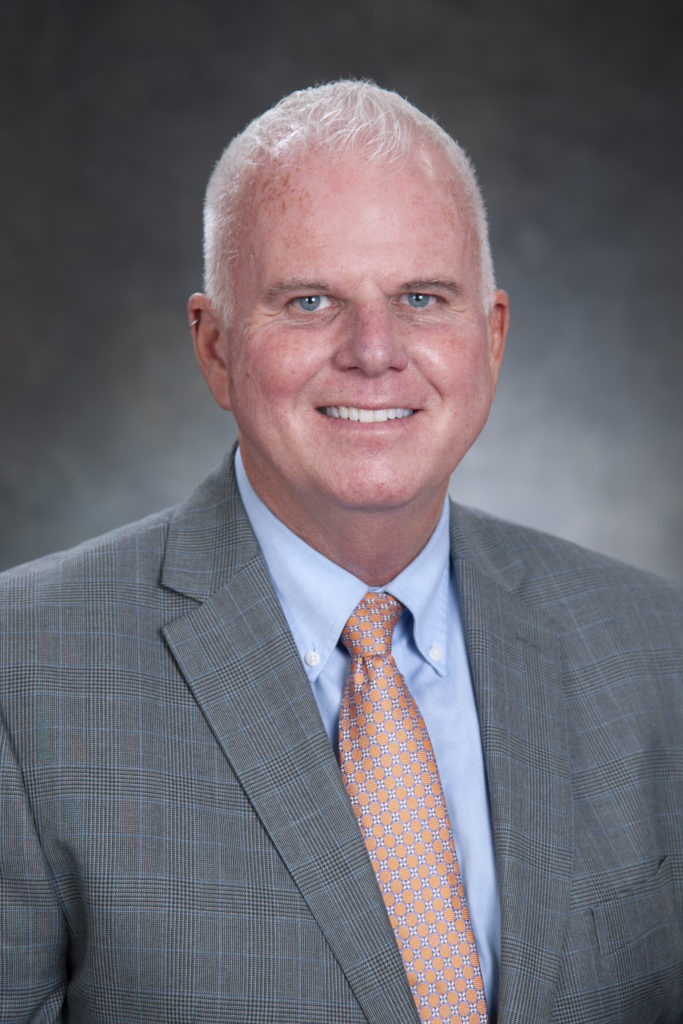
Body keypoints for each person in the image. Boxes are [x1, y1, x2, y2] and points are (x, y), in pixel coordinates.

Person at [1, 81, 681, 1024]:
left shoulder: (654, 650)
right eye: (310, 299)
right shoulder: (22, 675)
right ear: (215, 348)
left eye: (421, 297)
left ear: (489, 339)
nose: (374, 350)